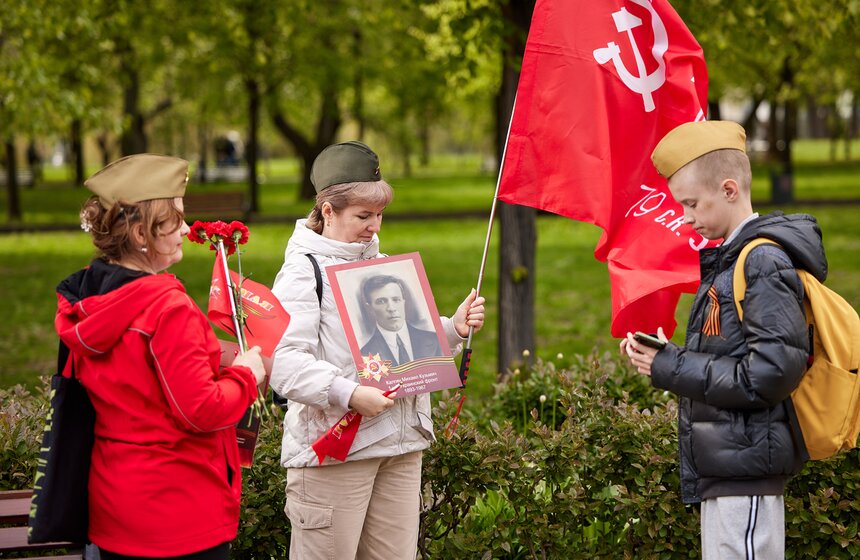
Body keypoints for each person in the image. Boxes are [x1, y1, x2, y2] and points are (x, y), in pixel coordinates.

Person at [269, 141, 485, 559]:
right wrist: (348, 394)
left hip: (401, 447)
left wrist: (453, 330)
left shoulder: (383, 264)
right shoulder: (302, 271)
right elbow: (283, 362)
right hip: (335, 453)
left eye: (379, 214)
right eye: (363, 216)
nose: (374, 226)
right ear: (327, 211)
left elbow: (401, 348)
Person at [620, 121, 821, 559]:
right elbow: (733, 359)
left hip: (745, 473)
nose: (686, 217)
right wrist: (665, 357)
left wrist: (670, 368)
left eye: (692, 203)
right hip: (732, 470)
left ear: (729, 189)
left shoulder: (761, 261)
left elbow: (769, 374)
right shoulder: (734, 261)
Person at [56, 154, 266, 560]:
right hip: (179, 513)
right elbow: (200, 411)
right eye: (176, 220)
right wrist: (244, 374)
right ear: (141, 232)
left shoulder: (90, 298)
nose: (187, 230)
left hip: (117, 506)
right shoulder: (167, 309)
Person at [358, 274, 442, 365]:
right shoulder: (365, 354)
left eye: (396, 300)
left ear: (403, 302)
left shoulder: (434, 339)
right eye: (381, 301)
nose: (391, 308)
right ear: (369, 308)